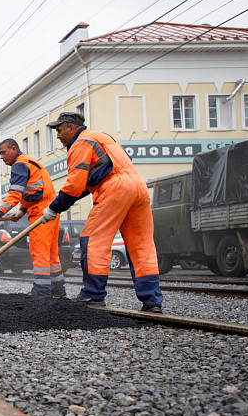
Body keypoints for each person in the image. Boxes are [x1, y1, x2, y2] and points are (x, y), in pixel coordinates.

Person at [43, 112, 163, 312]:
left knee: (93, 240)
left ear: (71, 128)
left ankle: (93, 295)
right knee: (141, 246)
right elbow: (85, 185)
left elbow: (73, 186)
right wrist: (58, 205)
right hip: (138, 186)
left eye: (59, 130)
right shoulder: (104, 138)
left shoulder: (81, 143)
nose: (58, 135)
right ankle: (152, 301)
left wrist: (54, 208)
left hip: (115, 187)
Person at [0, 138, 66, 298]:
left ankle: (41, 293)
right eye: (0, 153)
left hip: (41, 211)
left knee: (39, 252)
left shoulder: (19, 165)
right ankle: (58, 291)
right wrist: (22, 210)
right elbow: (32, 190)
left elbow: (14, 194)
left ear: (13, 149)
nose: (1, 157)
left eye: (3, 152)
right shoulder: (29, 161)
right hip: (50, 209)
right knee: (51, 254)